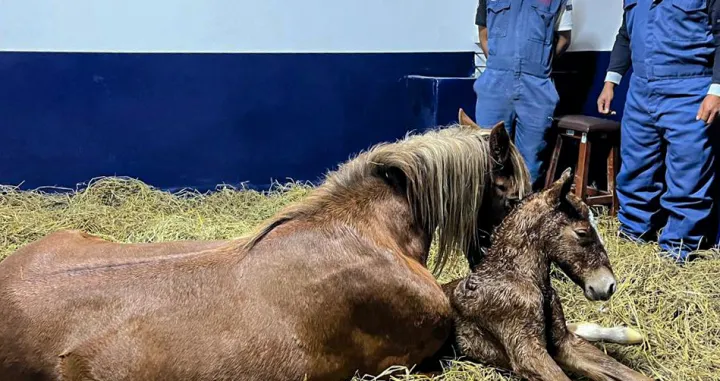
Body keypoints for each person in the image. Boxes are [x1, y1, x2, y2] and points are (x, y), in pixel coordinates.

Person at [597, 0, 720, 262]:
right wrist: (611, 80)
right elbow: (625, 34)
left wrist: (717, 90)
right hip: (641, 89)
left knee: (689, 173)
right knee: (635, 168)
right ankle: (632, 236)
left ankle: (679, 249)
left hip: (690, 89)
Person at [473, 0, 573, 190]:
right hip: (496, 83)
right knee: (488, 155)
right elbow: (483, 32)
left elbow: (564, 38)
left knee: (531, 162)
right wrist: (498, 62)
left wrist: (541, 65)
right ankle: (490, 217)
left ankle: (523, 214)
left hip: (537, 86)